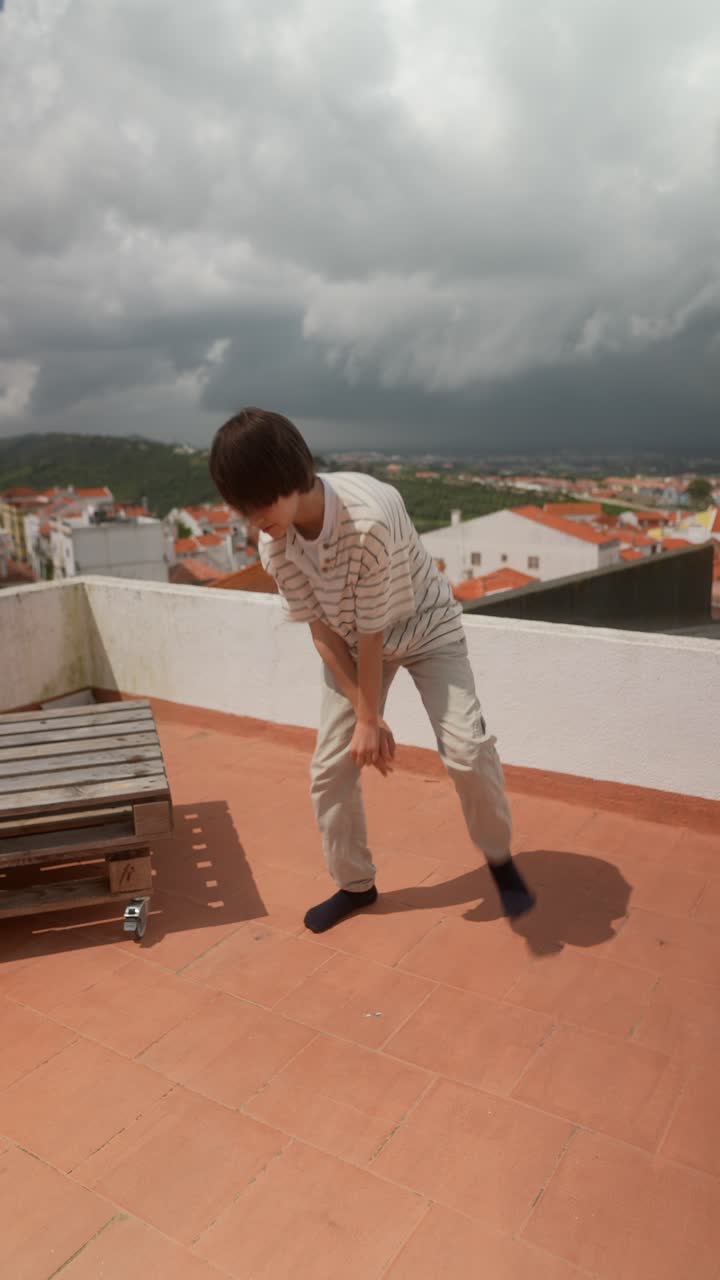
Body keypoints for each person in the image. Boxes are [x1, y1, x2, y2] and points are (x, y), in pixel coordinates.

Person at [209, 407, 535, 933]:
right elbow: (322, 631)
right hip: (353, 645)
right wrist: (365, 715)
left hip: (426, 628)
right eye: (242, 508)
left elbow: (372, 629)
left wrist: (370, 720)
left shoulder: (370, 519)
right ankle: (355, 884)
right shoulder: (276, 544)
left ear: (289, 477)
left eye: (258, 503)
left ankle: (500, 858)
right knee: (329, 770)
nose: (252, 520)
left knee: (466, 751)